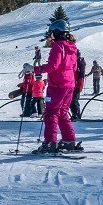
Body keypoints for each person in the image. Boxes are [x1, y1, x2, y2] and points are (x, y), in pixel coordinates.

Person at [34, 19, 82, 154]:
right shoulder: (72, 47)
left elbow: (53, 66)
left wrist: (35, 69)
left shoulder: (58, 46)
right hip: (69, 84)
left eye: (52, 33)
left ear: (56, 32)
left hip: (57, 85)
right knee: (62, 112)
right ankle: (69, 140)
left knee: (51, 113)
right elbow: (74, 67)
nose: (51, 36)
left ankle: (50, 142)